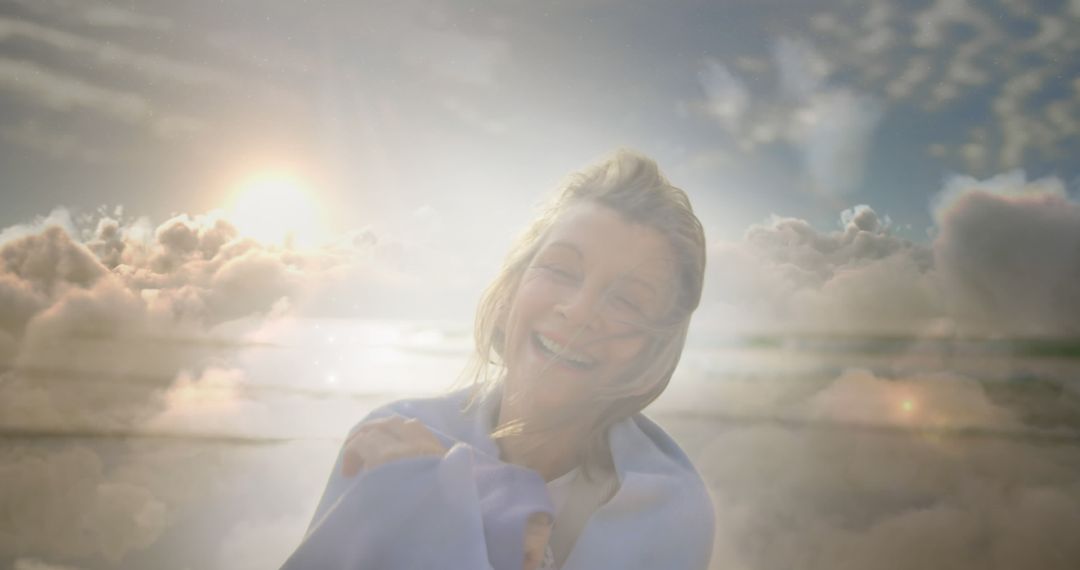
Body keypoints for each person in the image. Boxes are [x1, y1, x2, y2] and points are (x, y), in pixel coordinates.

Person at [282, 150, 714, 570]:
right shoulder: (392, 439)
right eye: (562, 270)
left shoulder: (672, 507)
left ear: (652, 354)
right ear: (509, 292)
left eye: (626, 300)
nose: (580, 311)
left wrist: (437, 505)